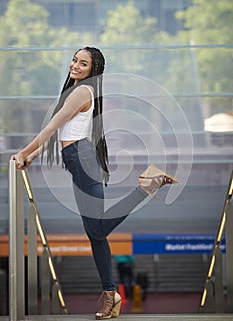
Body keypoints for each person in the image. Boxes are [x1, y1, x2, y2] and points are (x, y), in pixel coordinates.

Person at [11, 46, 178, 320]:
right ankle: (110, 294)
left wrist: (23, 152)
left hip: (83, 161)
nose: (75, 65)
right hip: (81, 162)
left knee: (97, 231)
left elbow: (50, 129)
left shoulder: (81, 92)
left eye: (83, 63)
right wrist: (31, 157)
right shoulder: (79, 91)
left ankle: (147, 185)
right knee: (96, 234)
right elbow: (58, 134)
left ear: (93, 70)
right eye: (75, 60)